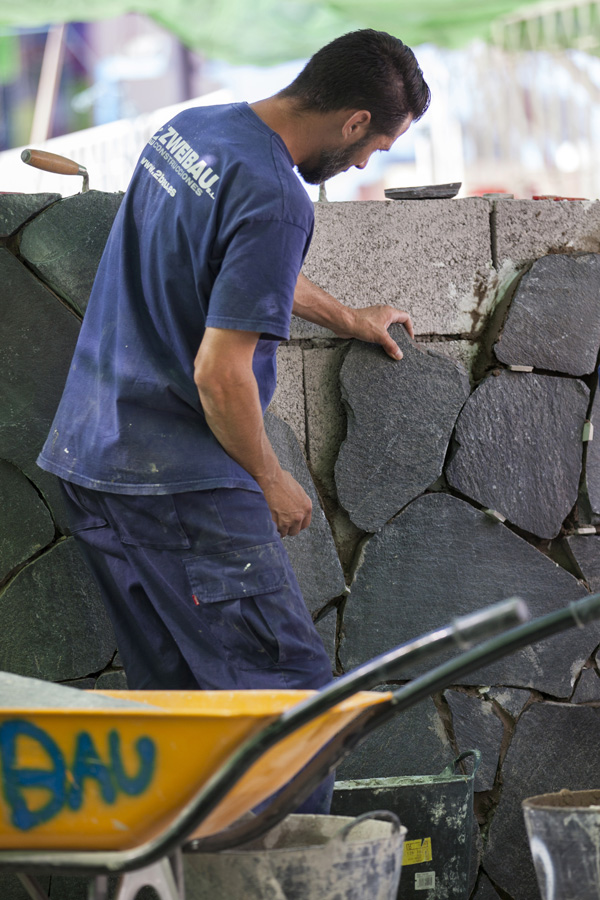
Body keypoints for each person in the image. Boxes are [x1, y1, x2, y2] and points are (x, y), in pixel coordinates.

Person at [37, 29, 430, 812]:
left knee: (180, 711)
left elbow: (236, 272)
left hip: (92, 459)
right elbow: (220, 375)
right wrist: (271, 478)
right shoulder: (277, 197)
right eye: (375, 148)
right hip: (183, 486)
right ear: (354, 122)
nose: (362, 167)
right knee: (290, 707)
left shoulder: (191, 131)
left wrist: (346, 315)